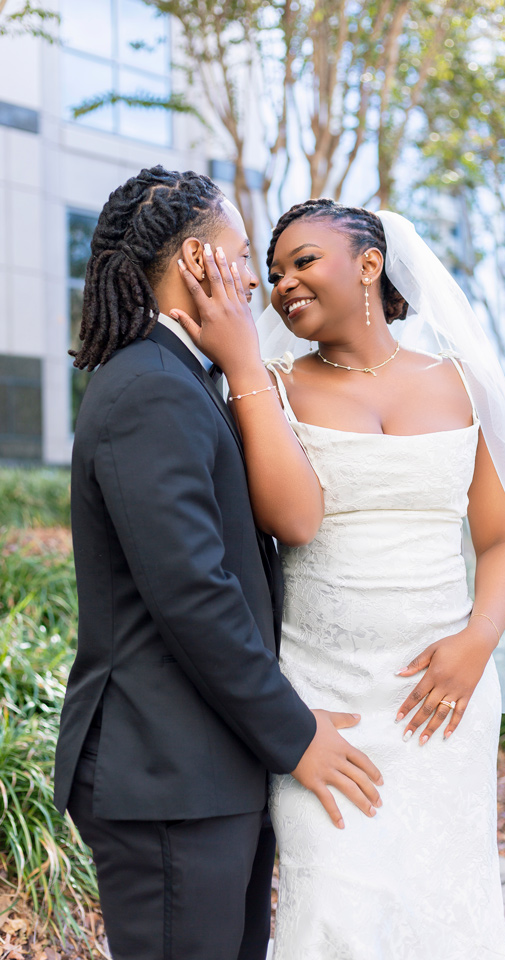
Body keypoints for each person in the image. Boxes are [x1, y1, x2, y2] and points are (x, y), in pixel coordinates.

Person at [174, 199, 505, 959]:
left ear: (369, 264)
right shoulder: (272, 388)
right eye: (275, 272)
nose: (284, 283)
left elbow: (501, 542)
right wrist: (247, 372)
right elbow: (293, 519)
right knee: (332, 906)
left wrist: (475, 644)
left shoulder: (462, 383)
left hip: (443, 700)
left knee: (441, 905)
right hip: (325, 701)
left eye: (303, 261)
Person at [54, 169, 384, 960]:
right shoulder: (148, 388)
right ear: (198, 262)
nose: (253, 280)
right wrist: (294, 732)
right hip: (164, 773)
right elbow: (193, 594)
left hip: (205, 765)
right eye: (242, 255)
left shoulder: (182, 377)